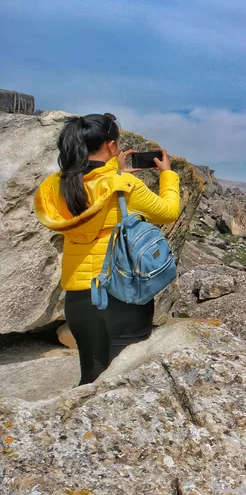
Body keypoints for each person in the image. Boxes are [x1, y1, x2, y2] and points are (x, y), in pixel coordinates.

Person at [34, 113, 181, 384]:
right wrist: (168, 175)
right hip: (122, 296)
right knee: (127, 381)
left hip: (78, 300)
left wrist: (115, 171)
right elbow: (169, 212)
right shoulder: (125, 186)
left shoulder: (55, 187)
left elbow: (93, 185)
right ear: (112, 146)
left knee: (90, 379)